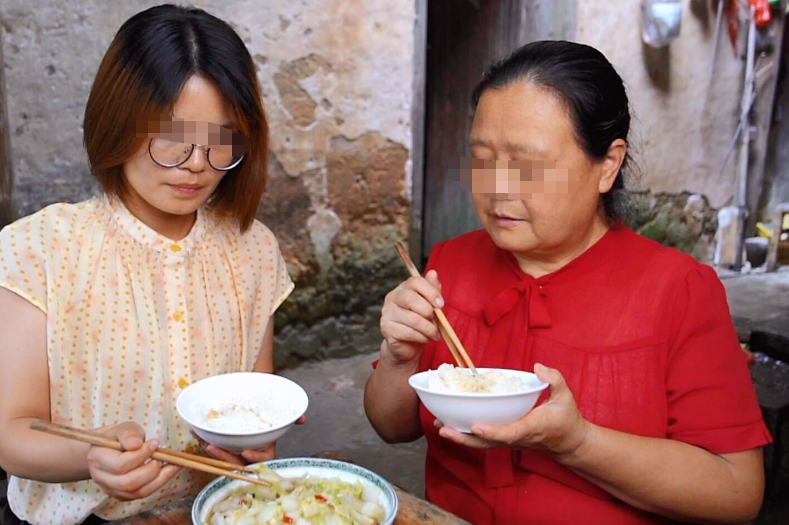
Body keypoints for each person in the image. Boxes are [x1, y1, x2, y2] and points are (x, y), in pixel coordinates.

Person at [365, 40, 771, 525]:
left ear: (607, 164)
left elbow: (736, 491)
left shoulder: (678, 291)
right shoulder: (449, 266)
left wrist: (578, 443)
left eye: (527, 164)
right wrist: (398, 356)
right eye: (482, 158)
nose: (497, 187)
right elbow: (392, 427)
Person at [0, 5, 295, 524]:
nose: (199, 163)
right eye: (174, 137)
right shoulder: (40, 249)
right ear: (118, 122)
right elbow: (11, 433)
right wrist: (90, 457)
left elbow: (254, 403)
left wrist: (251, 445)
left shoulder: (253, 249)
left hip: (214, 511)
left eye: (221, 140)